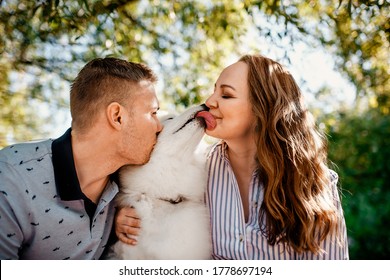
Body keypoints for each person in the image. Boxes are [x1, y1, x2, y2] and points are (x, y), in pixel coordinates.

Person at [116, 54, 349, 260]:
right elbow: (156, 201)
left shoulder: (316, 182)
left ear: (261, 110)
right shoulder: (199, 171)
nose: (209, 102)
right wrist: (122, 219)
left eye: (226, 95)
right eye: (214, 89)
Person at [0, 57, 162, 260]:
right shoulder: (11, 178)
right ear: (117, 116)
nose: (159, 127)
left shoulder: (125, 187)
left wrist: (116, 223)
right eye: (153, 113)